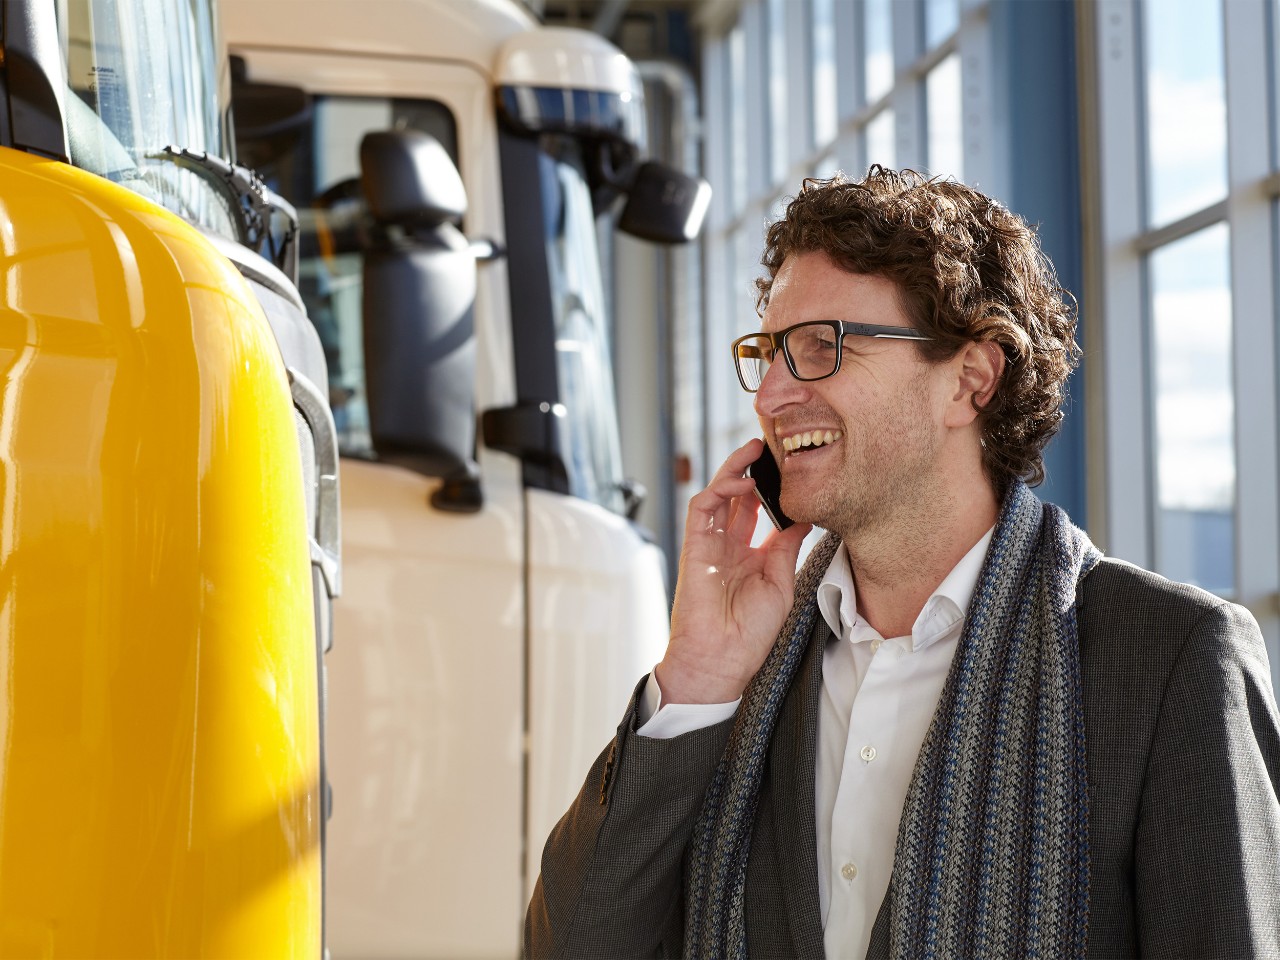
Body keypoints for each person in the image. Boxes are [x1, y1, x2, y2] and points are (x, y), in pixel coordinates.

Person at [524, 168, 1280, 959]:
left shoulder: (1169, 660)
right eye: (770, 351)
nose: (772, 394)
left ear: (969, 381)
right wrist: (696, 682)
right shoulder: (745, 671)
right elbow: (569, 946)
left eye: (823, 347)